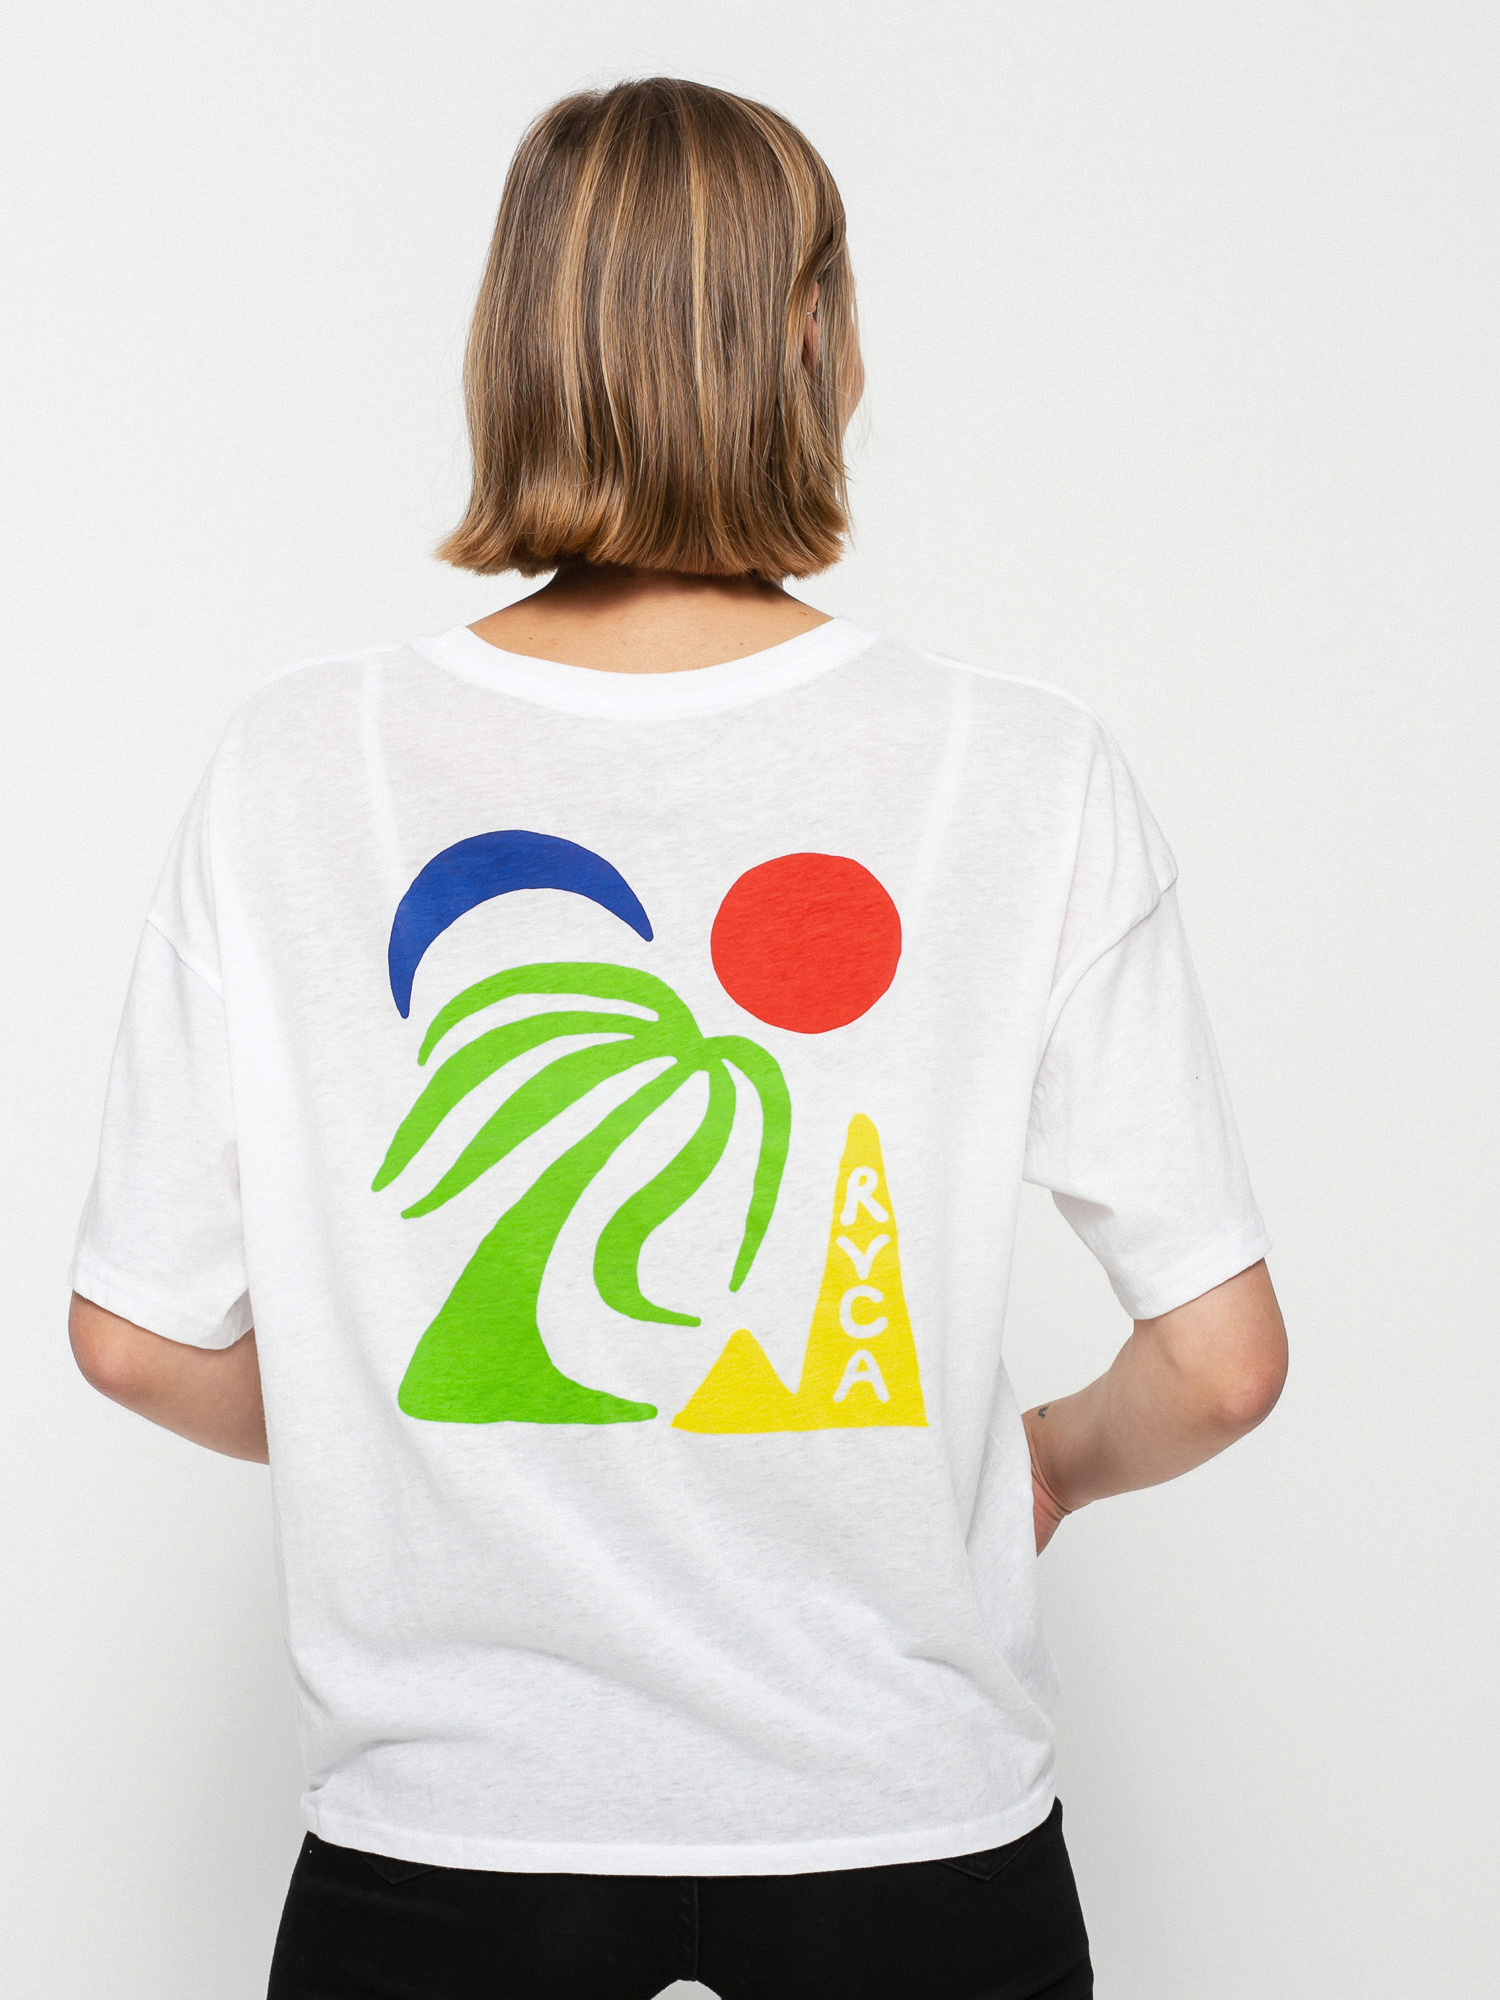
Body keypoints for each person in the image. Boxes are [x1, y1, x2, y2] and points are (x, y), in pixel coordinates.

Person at [69, 76, 1287, 2000]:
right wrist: (1045, 1457)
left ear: (516, 346)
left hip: (446, 1837)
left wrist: (411, 1429)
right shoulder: (1021, 767)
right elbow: (1221, 1368)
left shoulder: (302, 764)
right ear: (814, 339)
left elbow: (134, 1337)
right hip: (913, 1828)